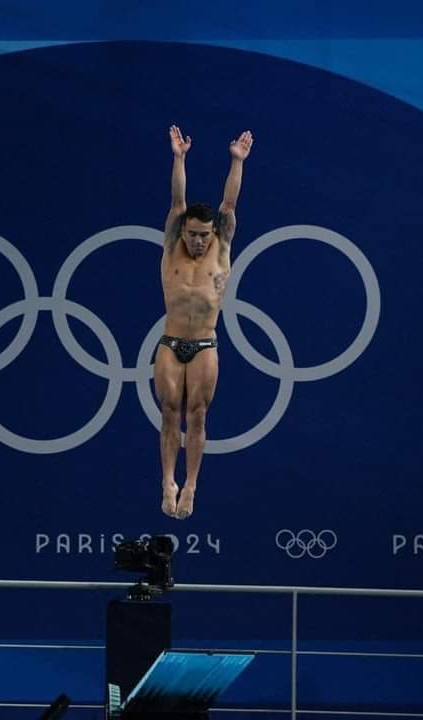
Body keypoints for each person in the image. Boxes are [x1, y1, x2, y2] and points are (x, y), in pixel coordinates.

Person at [155, 126, 253, 518]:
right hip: (170, 340)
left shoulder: (221, 246)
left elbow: (228, 205)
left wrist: (237, 161)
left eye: (204, 236)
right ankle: (167, 483)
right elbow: (177, 201)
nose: (198, 241)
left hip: (205, 344)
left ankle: (191, 485)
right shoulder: (172, 244)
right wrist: (179, 158)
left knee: (196, 412)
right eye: (193, 235)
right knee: (168, 412)